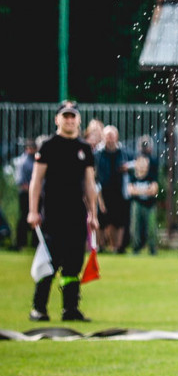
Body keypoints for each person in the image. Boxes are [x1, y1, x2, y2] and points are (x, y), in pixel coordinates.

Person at [27, 101, 98, 322]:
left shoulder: (84, 149)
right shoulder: (48, 146)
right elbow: (36, 181)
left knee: (73, 265)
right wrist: (32, 211)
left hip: (76, 216)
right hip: (53, 216)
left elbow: (89, 184)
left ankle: (70, 309)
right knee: (49, 262)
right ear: (57, 119)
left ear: (78, 120)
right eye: (65, 116)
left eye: (73, 116)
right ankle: (39, 308)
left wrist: (93, 215)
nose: (69, 120)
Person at [94, 125, 130, 253]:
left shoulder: (124, 152)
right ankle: (100, 245)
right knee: (101, 219)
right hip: (102, 191)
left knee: (119, 221)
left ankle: (118, 247)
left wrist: (127, 168)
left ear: (116, 137)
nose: (110, 139)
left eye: (112, 136)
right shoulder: (97, 153)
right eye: (108, 136)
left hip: (119, 191)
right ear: (103, 137)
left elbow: (134, 164)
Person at [126, 155, 159, 255]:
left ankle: (152, 249)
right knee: (135, 227)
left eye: (144, 164)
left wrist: (138, 191)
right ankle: (136, 248)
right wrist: (146, 191)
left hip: (150, 205)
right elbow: (131, 191)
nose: (142, 166)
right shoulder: (132, 177)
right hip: (137, 204)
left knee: (151, 228)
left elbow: (154, 190)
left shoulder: (151, 176)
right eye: (140, 164)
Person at [13, 137, 39, 251]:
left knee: (38, 218)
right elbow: (21, 182)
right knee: (24, 218)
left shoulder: (36, 160)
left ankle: (35, 243)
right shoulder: (23, 162)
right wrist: (33, 190)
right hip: (25, 194)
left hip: (36, 194)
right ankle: (20, 243)